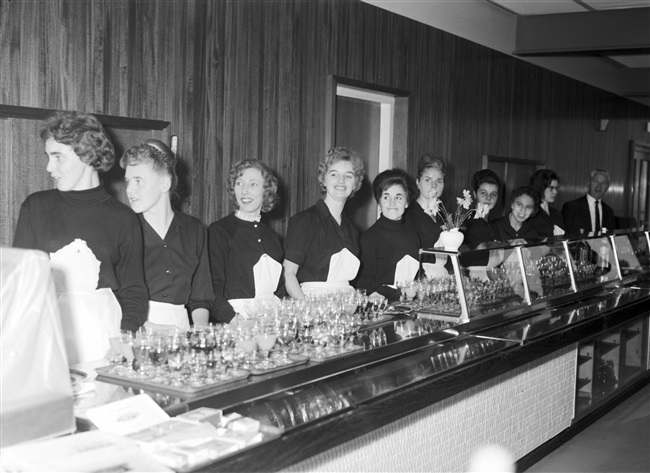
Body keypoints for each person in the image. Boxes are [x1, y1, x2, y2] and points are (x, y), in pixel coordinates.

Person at [13, 111, 148, 364]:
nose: (49, 168)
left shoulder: (123, 218)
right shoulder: (35, 207)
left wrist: (124, 336)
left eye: (58, 157)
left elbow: (134, 291)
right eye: (48, 157)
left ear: (87, 155)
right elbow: (21, 287)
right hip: (47, 335)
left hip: (106, 338)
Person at [121, 140, 213, 330]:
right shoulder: (123, 229)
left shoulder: (195, 229)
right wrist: (154, 329)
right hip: (137, 330)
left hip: (181, 329)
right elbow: (114, 297)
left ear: (165, 183)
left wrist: (200, 330)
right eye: (128, 181)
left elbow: (201, 296)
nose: (130, 190)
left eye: (138, 181)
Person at [283, 147, 365, 298]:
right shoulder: (304, 221)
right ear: (324, 179)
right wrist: (308, 310)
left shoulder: (352, 228)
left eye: (348, 176)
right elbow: (288, 274)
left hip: (347, 308)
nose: (341, 181)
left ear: (355, 183)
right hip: (313, 306)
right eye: (334, 174)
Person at [208, 160, 283, 322]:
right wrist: (235, 321)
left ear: (266, 191)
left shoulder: (273, 238)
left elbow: (280, 291)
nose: (244, 191)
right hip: (233, 323)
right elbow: (212, 289)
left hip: (270, 323)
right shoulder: (219, 231)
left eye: (253, 185)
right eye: (239, 183)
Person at [357, 169, 420, 303]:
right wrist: (398, 294)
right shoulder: (370, 238)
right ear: (379, 203)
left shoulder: (412, 236)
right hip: (382, 307)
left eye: (398, 197)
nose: (392, 203)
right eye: (386, 197)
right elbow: (363, 281)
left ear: (407, 202)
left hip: (409, 305)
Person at [404, 154, 446, 249]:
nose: (434, 186)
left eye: (439, 181)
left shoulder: (443, 215)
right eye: (428, 180)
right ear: (418, 182)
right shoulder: (409, 215)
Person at [562, 169, 616, 237]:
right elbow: (566, 235)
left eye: (603, 183)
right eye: (595, 181)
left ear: (607, 187)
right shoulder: (571, 207)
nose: (599, 186)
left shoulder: (609, 211)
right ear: (588, 183)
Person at [462, 169, 501, 248]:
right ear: (475, 194)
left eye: (493, 194)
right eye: (483, 193)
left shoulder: (493, 223)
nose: (488, 198)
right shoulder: (470, 224)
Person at [528, 169, 566, 238]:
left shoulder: (556, 213)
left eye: (556, 188)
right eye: (551, 188)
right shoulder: (531, 213)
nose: (555, 192)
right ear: (540, 188)